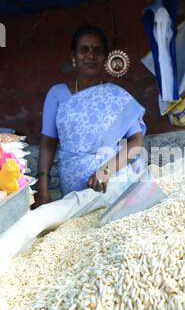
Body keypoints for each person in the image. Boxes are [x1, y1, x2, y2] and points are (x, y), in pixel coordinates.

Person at [34, 24, 146, 208]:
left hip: (114, 184)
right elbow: (48, 144)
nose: (90, 56)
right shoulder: (57, 94)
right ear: (73, 57)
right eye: (84, 50)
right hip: (73, 190)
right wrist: (43, 189)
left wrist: (106, 170)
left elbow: (136, 142)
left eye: (97, 51)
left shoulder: (117, 95)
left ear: (105, 59)